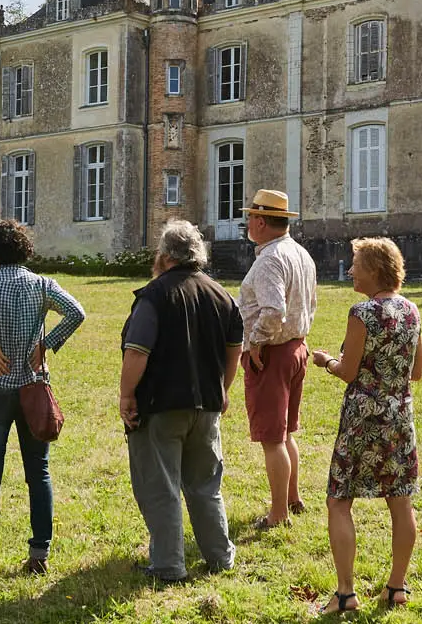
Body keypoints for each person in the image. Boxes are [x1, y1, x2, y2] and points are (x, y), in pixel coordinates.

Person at [0, 219, 86, 579]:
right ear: (24, 249)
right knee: (38, 473)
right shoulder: (42, 284)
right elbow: (76, 312)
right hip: (33, 386)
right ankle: (39, 554)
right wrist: (46, 344)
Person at [119, 220, 244, 583]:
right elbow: (234, 350)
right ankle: (220, 557)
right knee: (206, 486)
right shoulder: (222, 295)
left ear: (164, 255)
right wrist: (223, 388)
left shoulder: (154, 296)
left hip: (160, 405)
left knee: (160, 488)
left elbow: (137, 351)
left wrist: (126, 394)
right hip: (207, 404)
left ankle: (168, 565)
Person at [308, 236, 422, 614]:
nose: (349, 270)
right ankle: (397, 587)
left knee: (339, 500)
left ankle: (345, 594)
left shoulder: (362, 313)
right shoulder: (412, 311)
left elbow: (348, 371)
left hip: (362, 420)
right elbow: (417, 371)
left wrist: (326, 361)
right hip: (400, 417)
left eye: (355, 265)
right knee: (401, 500)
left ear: (374, 270)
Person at [236, 188, 319, 530]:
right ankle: (292, 498)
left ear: (260, 221)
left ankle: (278, 513)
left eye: (251, 218)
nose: (247, 224)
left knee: (272, 438)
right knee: (286, 434)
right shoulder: (300, 253)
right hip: (296, 348)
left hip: (272, 352)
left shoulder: (270, 259)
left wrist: (256, 342)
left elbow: (272, 310)